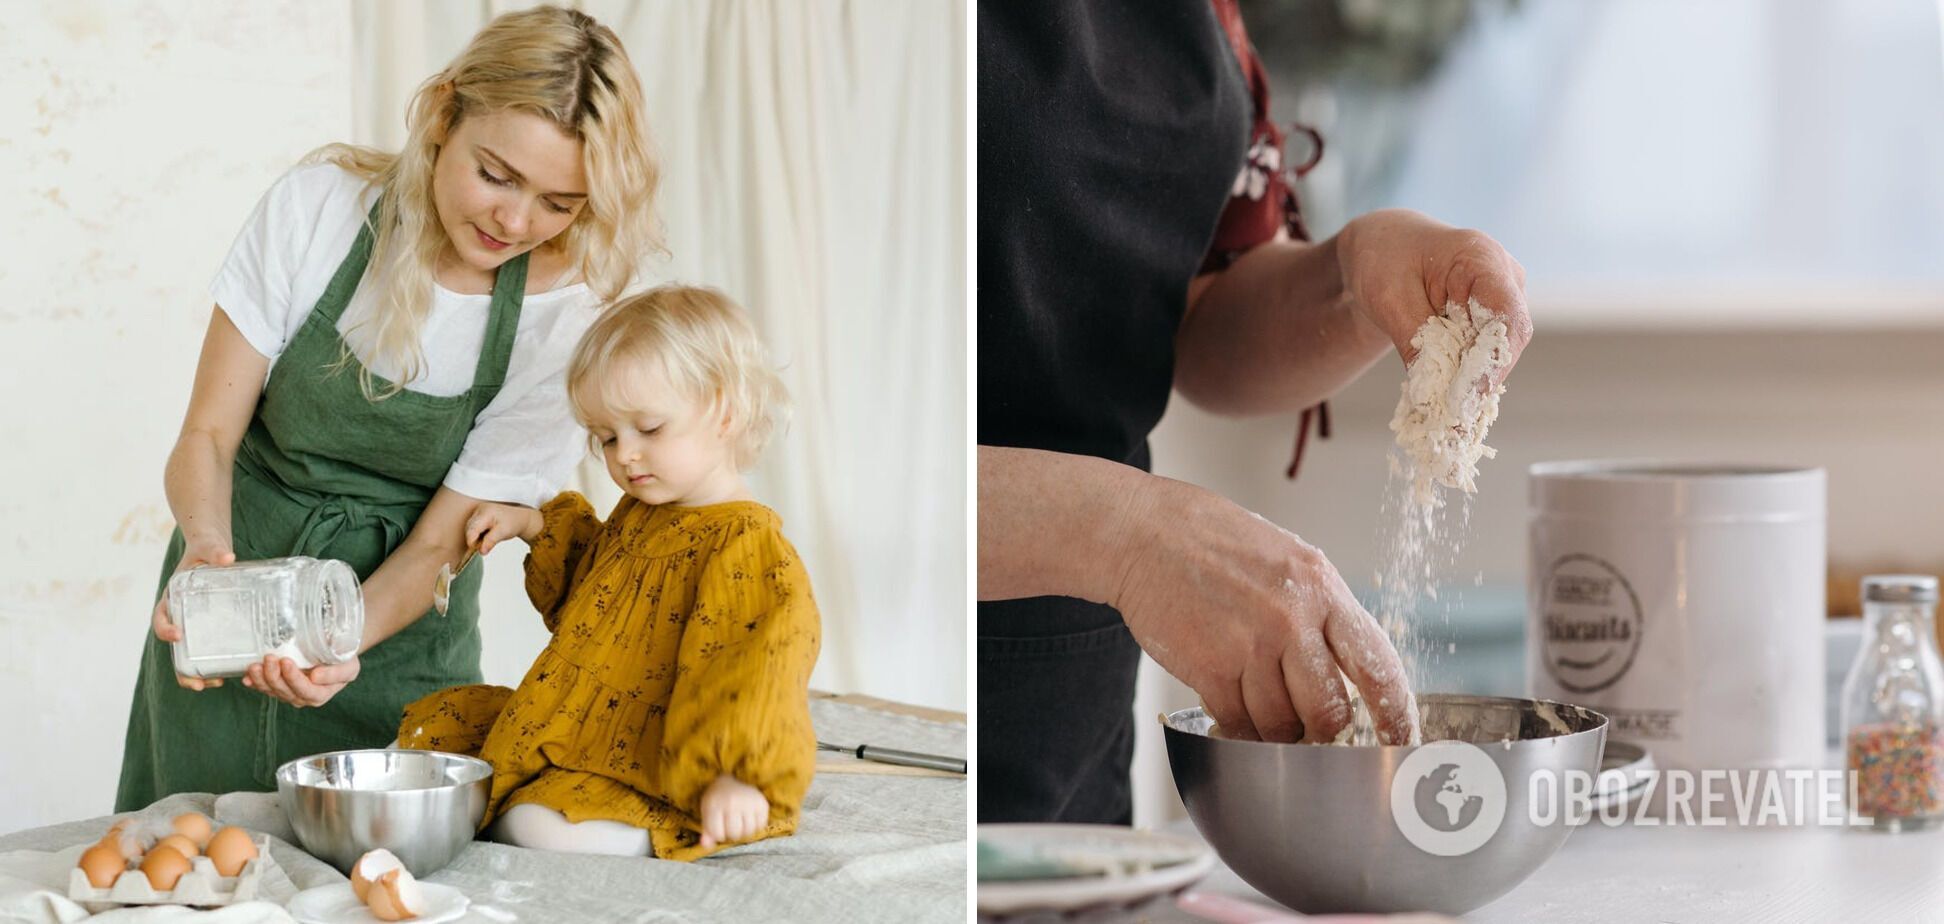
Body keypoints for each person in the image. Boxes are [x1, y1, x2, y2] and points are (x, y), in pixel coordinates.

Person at [977, 1, 1534, 824]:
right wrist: (1129, 538)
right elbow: (830, 438)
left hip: (1069, 712)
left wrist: (1351, 276)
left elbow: (1190, 311)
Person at [118, 5, 661, 811]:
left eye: (560, 203)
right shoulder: (320, 211)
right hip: (237, 589)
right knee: (191, 860)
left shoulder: (570, 316)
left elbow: (444, 539)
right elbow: (206, 433)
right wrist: (206, 555)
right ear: (443, 113)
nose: (515, 222)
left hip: (398, 636)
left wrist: (336, 644)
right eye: (497, 175)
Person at [393, 286, 820, 861]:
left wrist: (734, 776)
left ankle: (683, 816)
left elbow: (754, 672)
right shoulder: (643, 513)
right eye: (607, 438)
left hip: (660, 756)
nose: (626, 455)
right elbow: (590, 604)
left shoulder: (745, 547)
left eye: (649, 428)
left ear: (723, 410)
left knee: (538, 826)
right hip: (585, 725)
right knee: (430, 742)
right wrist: (530, 525)